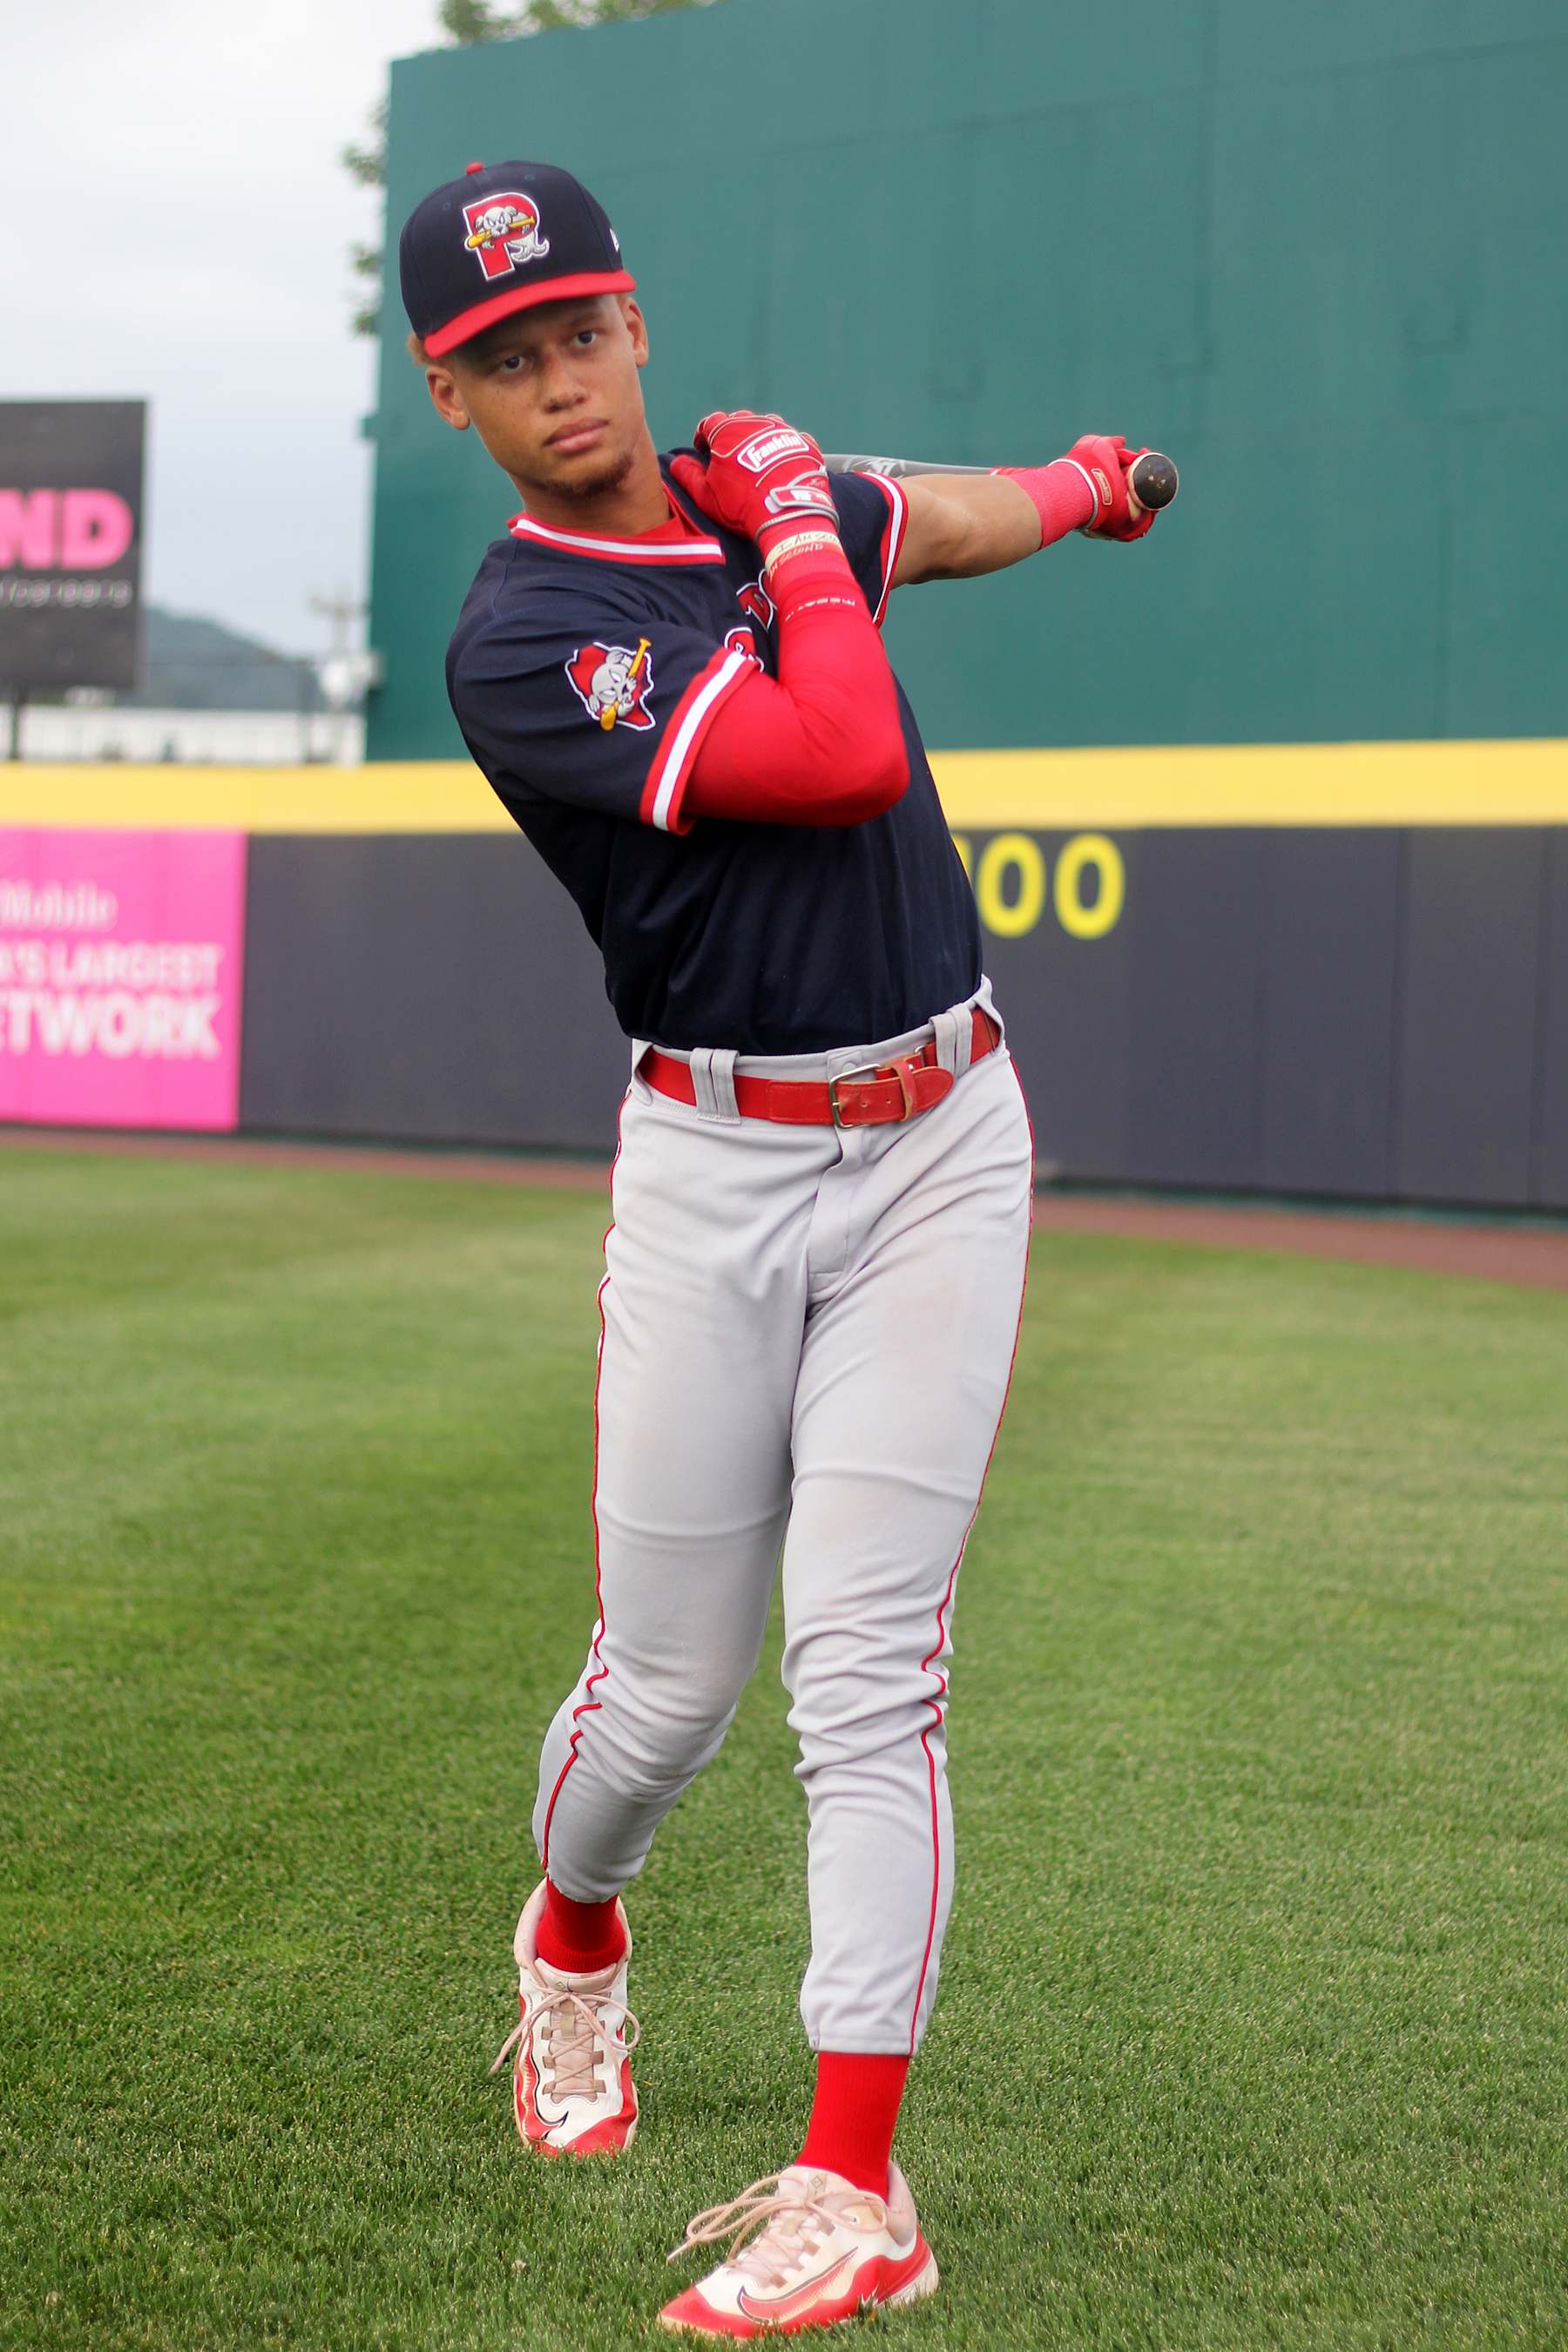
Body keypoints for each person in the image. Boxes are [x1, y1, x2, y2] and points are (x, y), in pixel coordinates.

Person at [400, 157, 1159, 2339]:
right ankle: (570, 1941)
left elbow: (959, 514)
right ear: (449, 398)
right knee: (663, 1700)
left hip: (942, 1134)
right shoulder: (522, 635)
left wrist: (1087, 486)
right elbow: (836, 748)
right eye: (500, 360)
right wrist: (811, 523)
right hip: (714, 1168)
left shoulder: (776, 500)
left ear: (636, 325)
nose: (555, 382)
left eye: (577, 334)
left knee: (869, 1669)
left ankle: (855, 2185)